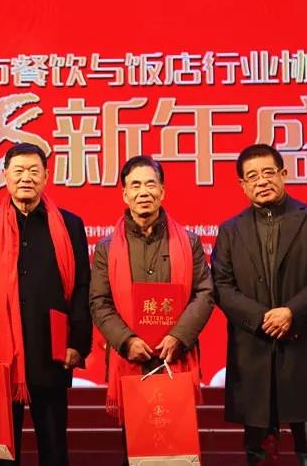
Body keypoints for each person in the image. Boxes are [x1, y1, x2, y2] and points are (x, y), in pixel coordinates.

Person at [212, 143, 307, 465]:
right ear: (242, 185)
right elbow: (221, 286)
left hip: (303, 349)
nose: (262, 181)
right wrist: (261, 318)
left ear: (283, 174)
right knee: (258, 454)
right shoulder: (230, 230)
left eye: (269, 172)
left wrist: (291, 313)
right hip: (252, 353)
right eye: (252, 176)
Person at [0, 143, 91, 466]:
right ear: (5, 176)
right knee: (1, 451)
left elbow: (81, 287)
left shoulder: (70, 225)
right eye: (18, 171)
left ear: (46, 177)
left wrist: (78, 343)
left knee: (54, 445)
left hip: (52, 351)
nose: (26, 178)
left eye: (34, 171)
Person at [89, 155, 214, 462]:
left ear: (162, 191)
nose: (143, 192)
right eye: (135, 185)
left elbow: (205, 293)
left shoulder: (189, 242)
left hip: (175, 357)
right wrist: (126, 341)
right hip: (131, 359)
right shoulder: (106, 248)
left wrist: (179, 336)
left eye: (150, 184)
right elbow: (99, 301)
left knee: (177, 453)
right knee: (136, 451)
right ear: (125, 194)